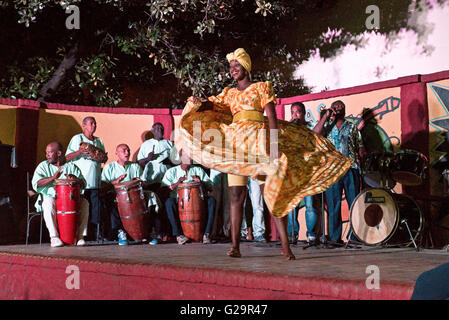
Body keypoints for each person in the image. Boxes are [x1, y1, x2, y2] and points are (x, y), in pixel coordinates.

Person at [176, 48, 352, 260]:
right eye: (231, 67)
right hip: (237, 146)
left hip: (260, 143)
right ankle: (235, 246)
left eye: (237, 66)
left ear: (246, 67)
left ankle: (286, 246)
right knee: (236, 196)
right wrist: (197, 103)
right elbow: (212, 105)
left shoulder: (261, 87)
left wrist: (274, 146)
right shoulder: (229, 94)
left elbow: (271, 117)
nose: (233, 70)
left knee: (271, 193)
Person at [314, 100, 366, 244]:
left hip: (351, 168)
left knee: (354, 204)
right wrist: (326, 116)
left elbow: (360, 146)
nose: (338, 107)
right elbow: (314, 134)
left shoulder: (352, 127)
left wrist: (362, 152)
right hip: (333, 170)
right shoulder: (326, 127)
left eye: (341, 106)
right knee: (333, 204)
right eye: (335, 106)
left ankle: (354, 237)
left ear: (344, 109)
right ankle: (335, 238)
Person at [32, 142, 89, 247]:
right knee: (47, 203)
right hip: (52, 198)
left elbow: (84, 184)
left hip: (70, 200)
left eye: (49, 152)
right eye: (46, 153)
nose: (47, 155)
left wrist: (75, 179)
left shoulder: (71, 166)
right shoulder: (43, 166)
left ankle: (80, 236)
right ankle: (54, 237)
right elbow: (36, 183)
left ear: (58, 153)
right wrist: (53, 178)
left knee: (85, 203)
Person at [161, 149, 216, 245]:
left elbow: (211, 188)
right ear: (181, 157)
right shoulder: (172, 171)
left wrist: (201, 182)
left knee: (211, 201)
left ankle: (206, 234)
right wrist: (177, 183)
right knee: (169, 203)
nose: (191, 158)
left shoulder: (198, 170)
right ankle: (178, 235)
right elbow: (162, 190)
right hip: (179, 201)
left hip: (198, 201)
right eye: (188, 156)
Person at [66, 116, 107, 241]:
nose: (94, 125)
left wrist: (99, 156)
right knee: (82, 210)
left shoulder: (99, 141)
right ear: (84, 125)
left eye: (95, 123)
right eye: (91, 123)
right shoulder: (77, 138)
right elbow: (67, 157)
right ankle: (80, 236)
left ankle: (96, 235)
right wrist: (79, 152)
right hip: (81, 183)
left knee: (95, 211)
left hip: (95, 182)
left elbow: (104, 159)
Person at [100, 144, 146, 245]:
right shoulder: (109, 167)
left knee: (150, 199)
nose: (127, 152)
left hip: (135, 196)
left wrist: (138, 181)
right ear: (117, 153)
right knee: (111, 203)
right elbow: (103, 187)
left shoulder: (135, 166)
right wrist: (115, 182)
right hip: (115, 196)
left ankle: (146, 232)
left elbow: (143, 182)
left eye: (128, 150)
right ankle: (120, 231)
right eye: (124, 150)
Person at [288, 102, 319, 244]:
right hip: (293, 173)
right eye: (293, 112)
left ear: (304, 113)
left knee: (310, 205)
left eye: (298, 112)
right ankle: (291, 234)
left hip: (308, 172)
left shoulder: (310, 127)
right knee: (291, 206)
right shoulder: (288, 128)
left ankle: (311, 235)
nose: (295, 115)